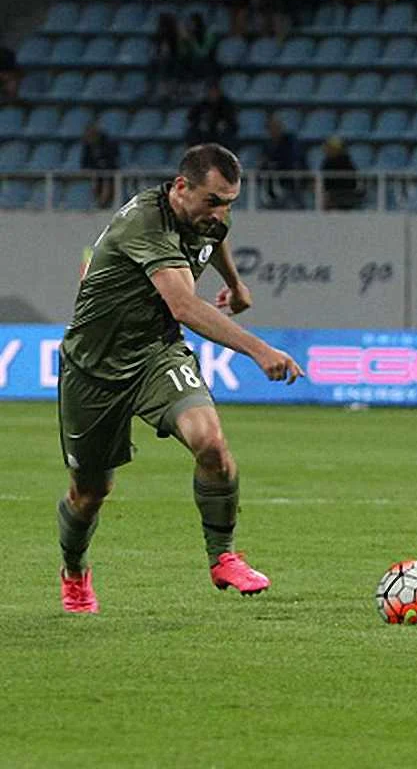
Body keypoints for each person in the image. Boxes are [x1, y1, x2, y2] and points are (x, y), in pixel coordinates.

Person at [56, 143, 305, 614]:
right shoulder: (144, 224)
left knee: (210, 443)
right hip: (94, 367)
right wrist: (260, 350)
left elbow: (215, 238)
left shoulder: (208, 216)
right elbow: (186, 307)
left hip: (156, 355)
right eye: (214, 199)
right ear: (180, 188)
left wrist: (234, 284)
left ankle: (223, 557)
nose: (223, 210)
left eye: (230, 200)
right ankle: (74, 569)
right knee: (89, 494)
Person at [259, 113, 302, 209]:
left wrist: (274, 163)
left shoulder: (290, 141)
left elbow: (290, 158)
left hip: (287, 179)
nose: (273, 130)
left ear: (281, 128)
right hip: (271, 182)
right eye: (271, 128)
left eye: (276, 127)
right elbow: (264, 161)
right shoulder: (267, 144)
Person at [186, 80, 239, 151]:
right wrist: (200, 123)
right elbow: (191, 117)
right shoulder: (202, 104)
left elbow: (231, 119)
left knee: (227, 135)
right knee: (194, 133)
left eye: (215, 91)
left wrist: (224, 123)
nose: (213, 94)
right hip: (206, 131)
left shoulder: (226, 104)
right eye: (210, 91)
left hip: (221, 131)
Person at [81, 122, 119, 209]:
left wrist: (102, 165)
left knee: (107, 179)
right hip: (95, 173)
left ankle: (104, 202)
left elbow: (113, 160)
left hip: (109, 171)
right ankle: (97, 201)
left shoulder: (109, 143)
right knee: (94, 178)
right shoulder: (87, 146)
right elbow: (84, 163)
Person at [319, 136, 363, 210]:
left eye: (329, 148)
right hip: (338, 198)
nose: (326, 150)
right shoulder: (331, 161)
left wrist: (329, 199)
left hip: (341, 198)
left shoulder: (340, 162)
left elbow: (349, 183)